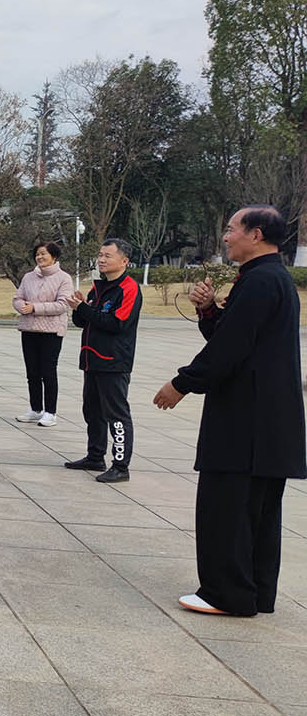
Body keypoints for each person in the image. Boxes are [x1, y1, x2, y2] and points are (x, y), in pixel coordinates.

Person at [151, 206, 305, 617]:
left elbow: (229, 350)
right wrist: (210, 312)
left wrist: (181, 383)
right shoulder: (269, 278)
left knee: (229, 508)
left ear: (256, 235)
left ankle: (227, 593)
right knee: (256, 513)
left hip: (247, 422)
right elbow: (237, 336)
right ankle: (253, 592)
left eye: (231, 229)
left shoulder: (261, 281)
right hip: (265, 420)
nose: (225, 236)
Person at [63, 239, 142, 483]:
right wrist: (79, 308)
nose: (101, 259)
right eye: (100, 254)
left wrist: (86, 310)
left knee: (116, 415)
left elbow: (118, 323)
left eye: (108, 255)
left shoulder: (128, 288)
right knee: (92, 410)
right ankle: (95, 456)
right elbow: (83, 322)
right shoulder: (96, 289)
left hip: (114, 362)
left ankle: (121, 465)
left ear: (124, 261)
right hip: (92, 360)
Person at [12, 242, 74, 427]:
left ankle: (50, 412)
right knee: (32, 372)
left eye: (43, 254)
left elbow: (63, 304)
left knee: (48, 371)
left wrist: (35, 308)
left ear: (54, 257)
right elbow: (18, 297)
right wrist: (21, 306)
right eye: (37, 254)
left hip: (51, 332)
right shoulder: (28, 277)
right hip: (29, 329)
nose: (39, 257)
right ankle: (35, 409)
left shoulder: (64, 278)